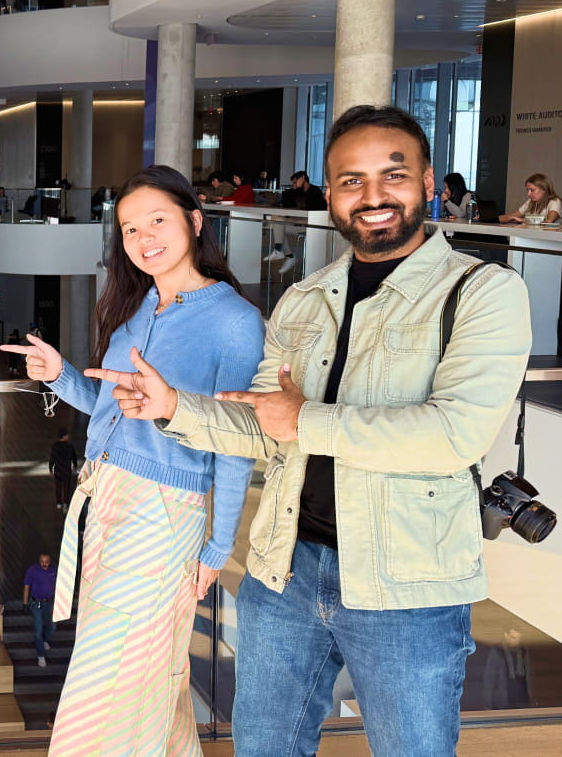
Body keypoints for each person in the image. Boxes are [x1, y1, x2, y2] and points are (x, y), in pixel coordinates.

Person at [97, 105, 530, 755]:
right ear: (330, 194)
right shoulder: (305, 299)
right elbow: (267, 426)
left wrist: (305, 419)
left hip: (407, 584)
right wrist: (173, 407)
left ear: (429, 180)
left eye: (393, 174)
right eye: (351, 180)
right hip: (285, 570)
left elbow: (453, 434)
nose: (374, 195)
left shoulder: (482, 291)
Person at [3, 163, 264, 754]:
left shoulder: (234, 322)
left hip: (165, 512)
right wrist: (61, 375)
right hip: (107, 497)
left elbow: (236, 439)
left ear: (195, 222)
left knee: (105, 681)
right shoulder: (136, 306)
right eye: (128, 229)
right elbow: (114, 407)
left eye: (158, 221)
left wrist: (218, 547)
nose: (144, 239)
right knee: (149, 670)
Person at [269, 170, 328, 274]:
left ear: (303, 178)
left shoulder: (315, 191)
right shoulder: (298, 192)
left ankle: (287, 255)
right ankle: (284, 253)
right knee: (276, 220)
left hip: (312, 225)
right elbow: (287, 204)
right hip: (299, 222)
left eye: (295, 182)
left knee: (278, 226)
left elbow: (313, 209)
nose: (294, 185)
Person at [484, 628, 534, 709]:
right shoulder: (497, 652)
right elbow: (489, 679)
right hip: (503, 702)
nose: (516, 641)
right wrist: (487, 705)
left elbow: (528, 676)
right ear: (506, 635)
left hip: (522, 701)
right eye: (513, 637)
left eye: (518, 638)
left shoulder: (523, 651)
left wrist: (530, 698)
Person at [21, 554, 55, 667]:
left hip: (50, 602)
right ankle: (41, 656)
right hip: (36, 603)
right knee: (38, 629)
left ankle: (44, 640)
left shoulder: (54, 569)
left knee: (52, 626)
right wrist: (25, 603)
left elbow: (59, 586)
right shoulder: (32, 570)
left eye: (46, 562)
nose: (44, 564)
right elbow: (27, 586)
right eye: (42, 561)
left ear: (50, 561)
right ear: (39, 561)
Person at [48, 428, 78, 511]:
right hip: (66, 470)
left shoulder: (55, 446)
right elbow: (74, 458)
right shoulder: (69, 446)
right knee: (66, 487)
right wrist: (75, 466)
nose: (68, 436)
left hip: (58, 469)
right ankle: (65, 503)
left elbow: (52, 458)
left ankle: (59, 503)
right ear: (64, 436)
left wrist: (51, 469)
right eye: (67, 435)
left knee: (58, 487)